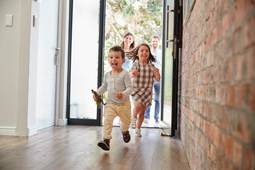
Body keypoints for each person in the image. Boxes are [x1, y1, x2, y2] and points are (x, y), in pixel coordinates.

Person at [93, 46, 133, 151]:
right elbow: (104, 87)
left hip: (124, 105)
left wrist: (123, 94)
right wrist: (97, 93)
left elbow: (130, 88)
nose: (113, 59)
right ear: (108, 60)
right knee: (107, 120)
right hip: (111, 104)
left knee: (126, 122)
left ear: (123, 60)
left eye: (117, 57)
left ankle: (125, 131)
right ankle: (106, 140)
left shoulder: (125, 74)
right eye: (111, 57)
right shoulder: (107, 75)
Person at [130, 43, 160, 137]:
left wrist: (157, 73)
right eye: (142, 50)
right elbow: (130, 73)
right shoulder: (136, 64)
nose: (144, 52)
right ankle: (133, 118)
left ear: (149, 54)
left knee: (142, 112)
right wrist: (133, 73)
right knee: (138, 105)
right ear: (137, 54)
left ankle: (138, 129)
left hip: (147, 92)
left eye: (147, 51)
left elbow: (158, 78)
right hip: (137, 90)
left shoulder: (152, 67)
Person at [144, 35, 162, 125]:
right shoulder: (148, 52)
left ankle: (156, 118)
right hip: (150, 78)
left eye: (156, 41)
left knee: (158, 99)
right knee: (148, 98)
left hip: (158, 78)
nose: (155, 42)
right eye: (153, 41)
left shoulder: (161, 52)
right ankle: (146, 117)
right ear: (151, 42)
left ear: (159, 42)